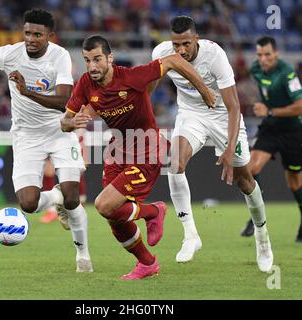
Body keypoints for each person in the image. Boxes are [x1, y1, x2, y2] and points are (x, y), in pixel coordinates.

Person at [61, 35, 216, 279]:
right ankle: (147, 263)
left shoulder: (133, 77)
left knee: (104, 205)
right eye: (87, 60)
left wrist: (204, 90)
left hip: (146, 151)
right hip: (117, 150)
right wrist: (72, 122)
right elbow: (64, 122)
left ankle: (154, 212)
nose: (92, 66)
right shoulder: (85, 84)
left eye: (98, 59)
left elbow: (174, 60)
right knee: (113, 217)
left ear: (110, 58)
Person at [0, 9, 92, 272]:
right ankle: (56, 196)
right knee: (28, 203)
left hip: (60, 129)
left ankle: (83, 255)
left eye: (38, 34)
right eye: (27, 32)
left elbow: (64, 102)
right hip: (26, 136)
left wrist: (26, 91)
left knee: (74, 199)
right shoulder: (10, 54)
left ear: (50, 36)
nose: (31, 38)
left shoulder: (60, 56)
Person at [151, 16, 273, 272]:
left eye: (186, 43)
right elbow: (147, 89)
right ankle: (191, 235)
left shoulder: (214, 55)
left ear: (196, 39)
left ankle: (262, 237)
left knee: (244, 181)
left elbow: (233, 106)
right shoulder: (161, 53)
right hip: (191, 115)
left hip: (222, 116)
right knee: (174, 163)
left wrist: (229, 149)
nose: (181, 50)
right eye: (176, 45)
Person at [240, 36, 302, 243]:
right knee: (251, 170)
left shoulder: (287, 74)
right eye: (260, 55)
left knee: (294, 184)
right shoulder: (256, 69)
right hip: (271, 129)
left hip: (292, 132)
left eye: (268, 55)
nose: (263, 59)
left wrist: (269, 110)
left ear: (276, 54)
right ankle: (257, 218)